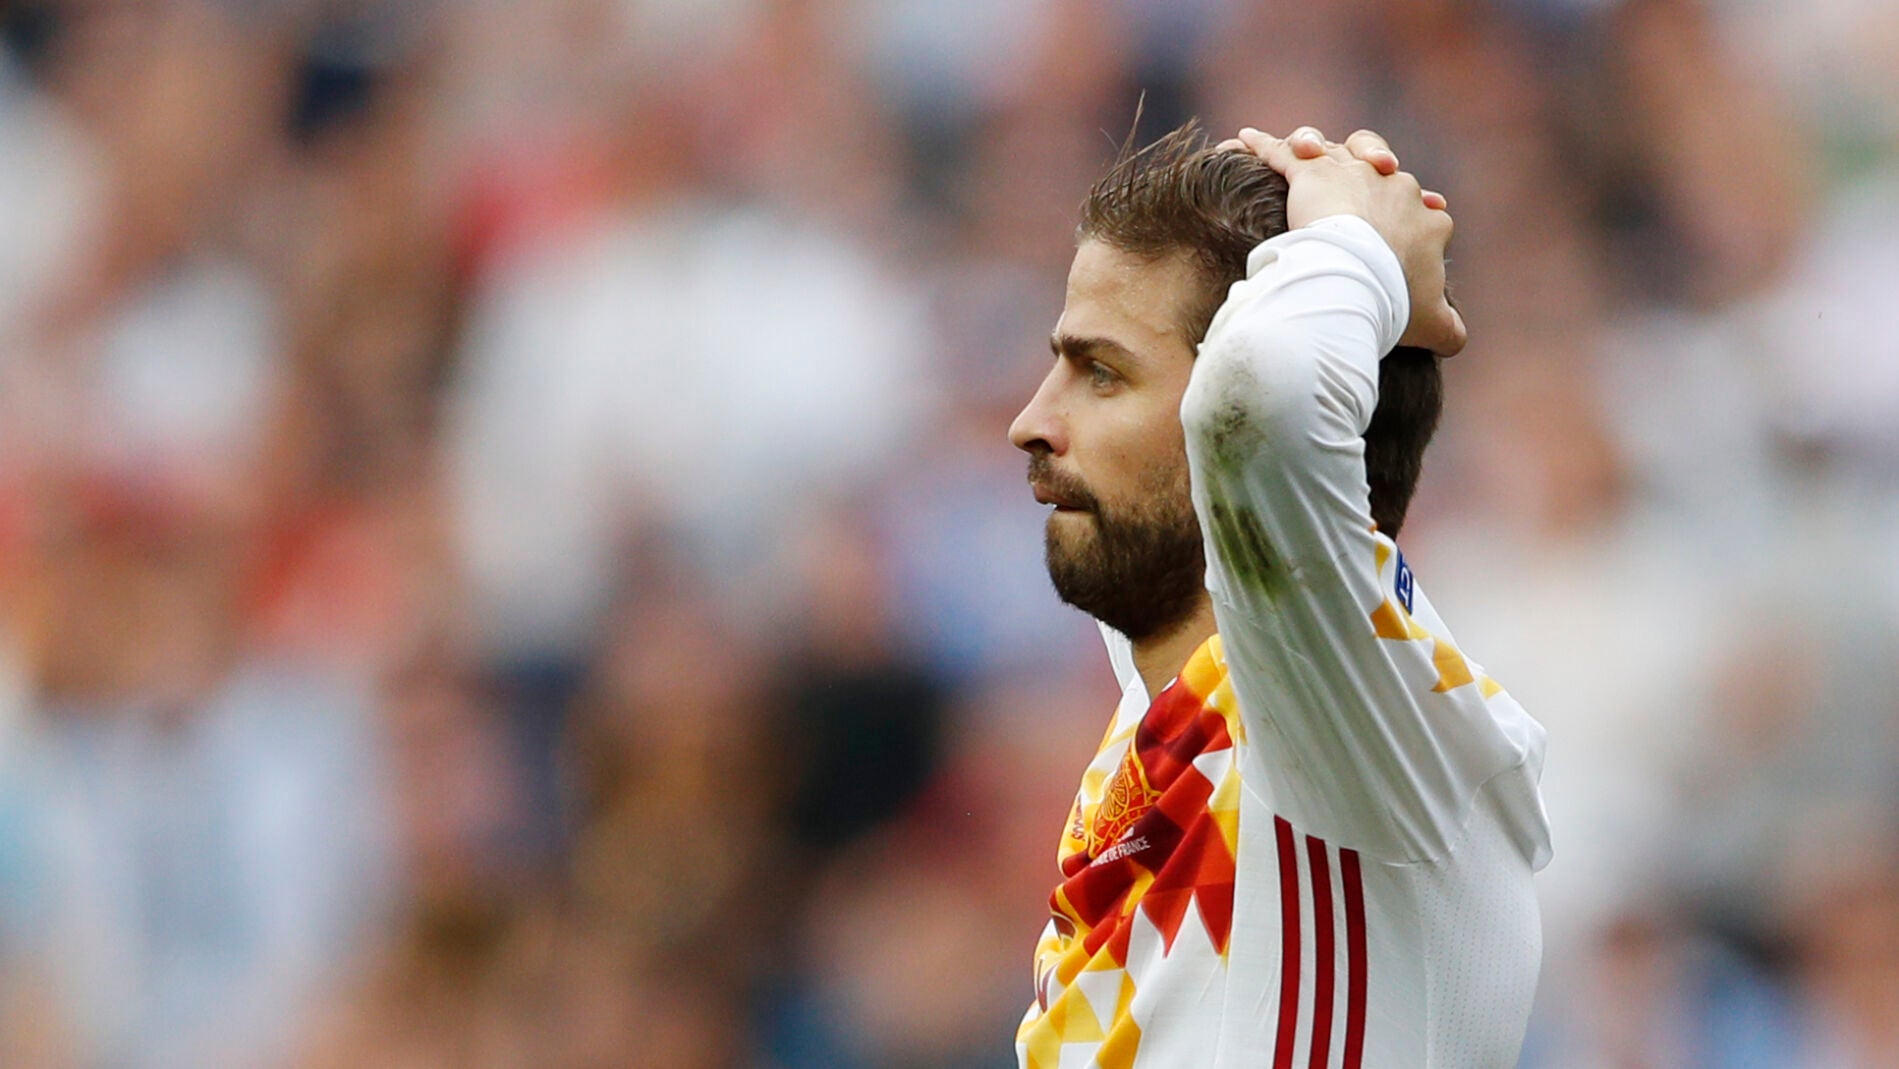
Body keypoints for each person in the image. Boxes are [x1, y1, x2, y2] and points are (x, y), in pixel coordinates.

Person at [1008, 122, 1552, 1067]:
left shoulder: (1351, 716)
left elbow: (1264, 402)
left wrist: (1354, 242)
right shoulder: (1170, 696)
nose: (1031, 422)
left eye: (1102, 372)